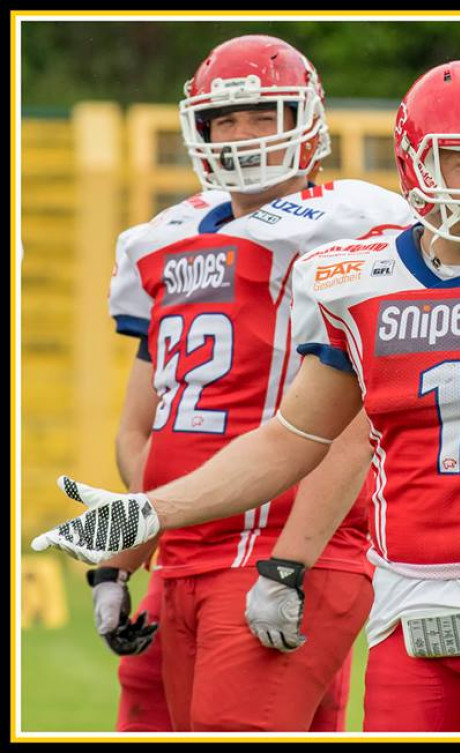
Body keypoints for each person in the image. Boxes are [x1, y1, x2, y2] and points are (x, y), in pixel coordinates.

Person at [34, 58, 460, 733]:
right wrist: (146, 513)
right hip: (407, 600)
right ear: (418, 166)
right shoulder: (357, 278)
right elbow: (291, 438)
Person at [88, 34, 414, 731]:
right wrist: (131, 549)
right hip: (185, 553)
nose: (243, 135)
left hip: (277, 545)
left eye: (264, 115)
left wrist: (290, 562)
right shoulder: (161, 239)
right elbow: (145, 427)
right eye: (225, 120)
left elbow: (352, 423)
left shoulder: (350, 226)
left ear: (308, 121)